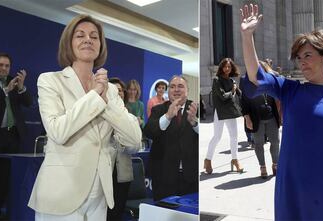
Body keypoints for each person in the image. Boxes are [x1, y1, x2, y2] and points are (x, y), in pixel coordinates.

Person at [240, 4, 323, 220]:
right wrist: (247, 37)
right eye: (299, 58)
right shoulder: (289, 90)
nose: (302, 62)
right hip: (291, 185)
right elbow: (256, 77)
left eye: (307, 55)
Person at [28, 15, 141, 220]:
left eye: (94, 36)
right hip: (61, 194)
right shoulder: (50, 80)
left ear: (100, 45)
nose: (88, 39)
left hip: (99, 196)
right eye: (80, 35)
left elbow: (134, 140)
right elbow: (58, 131)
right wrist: (95, 96)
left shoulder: (111, 91)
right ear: (69, 44)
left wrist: (105, 99)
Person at [144, 75, 198, 201]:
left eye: (180, 86)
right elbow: (149, 132)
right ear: (168, 91)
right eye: (172, 87)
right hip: (164, 177)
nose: (176, 90)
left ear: (187, 91)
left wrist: (194, 123)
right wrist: (167, 116)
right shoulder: (158, 109)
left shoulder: (195, 108)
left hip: (191, 177)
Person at [0, 53, 32, 220]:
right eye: (1, 65)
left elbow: (29, 103)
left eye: (7, 66)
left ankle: (2, 211)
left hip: (13, 136)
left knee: (7, 177)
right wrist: (5, 91)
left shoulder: (13, 82)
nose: (4, 69)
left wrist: (21, 87)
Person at [107, 77, 141, 221]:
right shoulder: (100, 115)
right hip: (104, 174)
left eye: (120, 90)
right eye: (113, 90)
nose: (117, 93)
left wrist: (123, 141)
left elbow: (136, 146)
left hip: (122, 174)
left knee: (117, 213)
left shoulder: (130, 117)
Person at [240, 60, 281, 179]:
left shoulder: (269, 81)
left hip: (271, 116)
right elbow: (244, 101)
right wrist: (247, 118)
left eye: (262, 69)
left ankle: (275, 164)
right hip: (256, 118)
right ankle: (262, 166)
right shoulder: (246, 81)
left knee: (275, 142)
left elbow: (277, 97)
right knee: (258, 144)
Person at [204, 58, 243, 174]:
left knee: (234, 137)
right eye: (225, 66)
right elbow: (222, 96)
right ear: (221, 67)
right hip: (220, 112)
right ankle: (208, 159)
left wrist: (237, 89)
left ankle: (235, 160)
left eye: (229, 67)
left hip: (230, 111)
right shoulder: (216, 80)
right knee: (217, 137)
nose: (227, 69)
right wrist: (232, 91)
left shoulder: (232, 81)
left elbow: (240, 94)